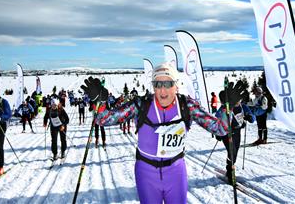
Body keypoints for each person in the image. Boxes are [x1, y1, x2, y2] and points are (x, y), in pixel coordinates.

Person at [81, 63, 245, 203]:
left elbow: (220, 128)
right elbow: (103, 120)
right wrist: (99, 102)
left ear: (176, 85)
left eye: (168, 84)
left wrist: (226, 107)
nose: (163, 90)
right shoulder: (140, 105)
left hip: (176, 171)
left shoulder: (186, 105)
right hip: (146, 172)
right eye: (158, 84)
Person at [215, 96, 255, 184]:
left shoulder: (243, 107)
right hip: (227, 134)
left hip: (237, 133)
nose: (238, 102)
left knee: (235, 153)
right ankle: (230, 173)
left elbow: (253, 118)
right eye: (236, 100)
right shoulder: (226, 107)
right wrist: (217, 133)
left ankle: (229, 168)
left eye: (239, 100)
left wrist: (250, 117)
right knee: (232, 152)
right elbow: (217, 118)